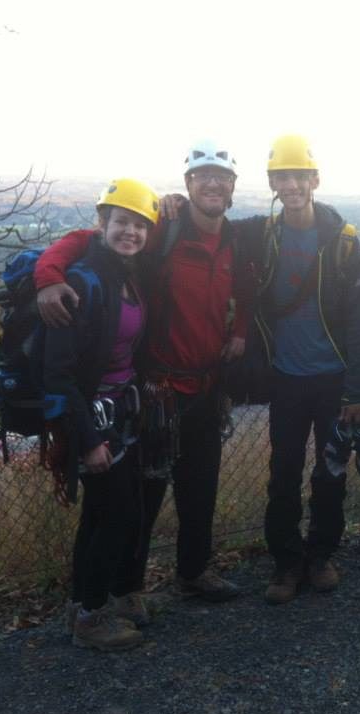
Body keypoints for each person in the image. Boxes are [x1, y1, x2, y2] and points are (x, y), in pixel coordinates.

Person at [34, 141, 248, 605]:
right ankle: (126, 590)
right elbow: (86, 241)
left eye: (223, 177)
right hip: (157, 390)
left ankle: (193, 572)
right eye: (203, 176)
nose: (213, 183)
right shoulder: (162, 227)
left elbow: (248, 288)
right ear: (187, 184)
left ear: (233, 188)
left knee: (200, 489)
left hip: (208, 385)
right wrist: (49, 277)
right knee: (143, 499)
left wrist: (243, 329)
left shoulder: (235, 238)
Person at [238, 134, 360, 605]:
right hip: (288, 379)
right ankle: (286, 562)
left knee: (331, 470)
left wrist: (356, 389)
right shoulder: (262, 234)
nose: (291, 184)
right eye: (282, 177)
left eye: (299, 176)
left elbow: (358, 321)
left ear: (315, 179)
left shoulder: (342, 242)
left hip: (332, 380)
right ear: (272, 182)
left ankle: (321, 555)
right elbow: (206, 231)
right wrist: (171, 204)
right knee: (284, 472)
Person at [43, 177, 157, 650]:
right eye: (121, 223)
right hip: (94, 420)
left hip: (118, 414)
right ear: (102, 223)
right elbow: (59, 374)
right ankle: (91, 616)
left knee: (101, 513)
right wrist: (88, 440)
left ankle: (81, 605)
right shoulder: (84, 282)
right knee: (120, 514)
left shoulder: (123, 275)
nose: (130, 232)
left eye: (139, 225)